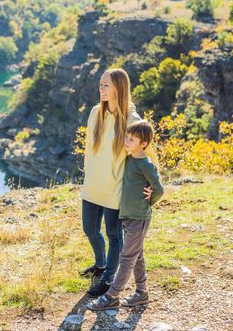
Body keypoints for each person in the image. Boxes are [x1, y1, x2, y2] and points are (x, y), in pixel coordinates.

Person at [80, 68, 159, 297]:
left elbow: (150, 156)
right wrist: (86, 174)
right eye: (100, 84)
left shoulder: (133, 121)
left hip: (115, 189)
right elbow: (88, 147)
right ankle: (100, 263)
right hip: (92, 184)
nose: (101, 89)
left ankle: (108, 278)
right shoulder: (96, 112)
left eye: (106, 85)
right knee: (90, 230)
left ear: (119, 88)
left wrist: (152, 185)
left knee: (114, 236)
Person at [87, 120, 164, 310]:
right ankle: (142, 293)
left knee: (127, 257)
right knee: (137, 256)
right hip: (129, 216)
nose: (126, 141)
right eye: (127, 138)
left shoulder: (145, 164)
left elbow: (159, 189)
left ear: (143, 144)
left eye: (131, 139)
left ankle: (112, 296)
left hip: (139, 217)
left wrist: (149, 200)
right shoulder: (129, 159)